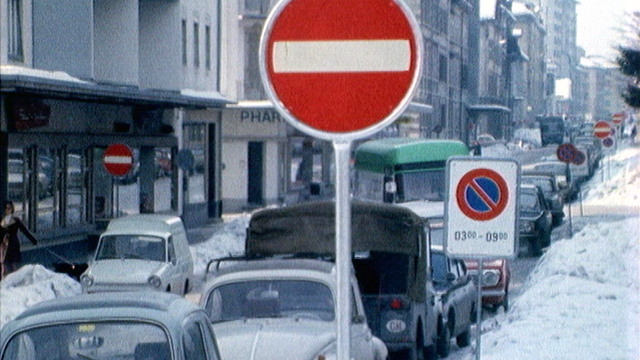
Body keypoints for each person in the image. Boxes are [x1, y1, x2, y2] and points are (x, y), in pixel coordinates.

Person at [1, 200, 38, 280]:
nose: (7, 210)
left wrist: (33, 240)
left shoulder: (16, 220)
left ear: (12, 209)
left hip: (13, 245)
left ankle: (16, 282)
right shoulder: (2, 221)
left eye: (9, 208)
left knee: (14, 265)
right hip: (5, 246)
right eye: (6, 208)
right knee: (6, 266)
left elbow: (25, 231)